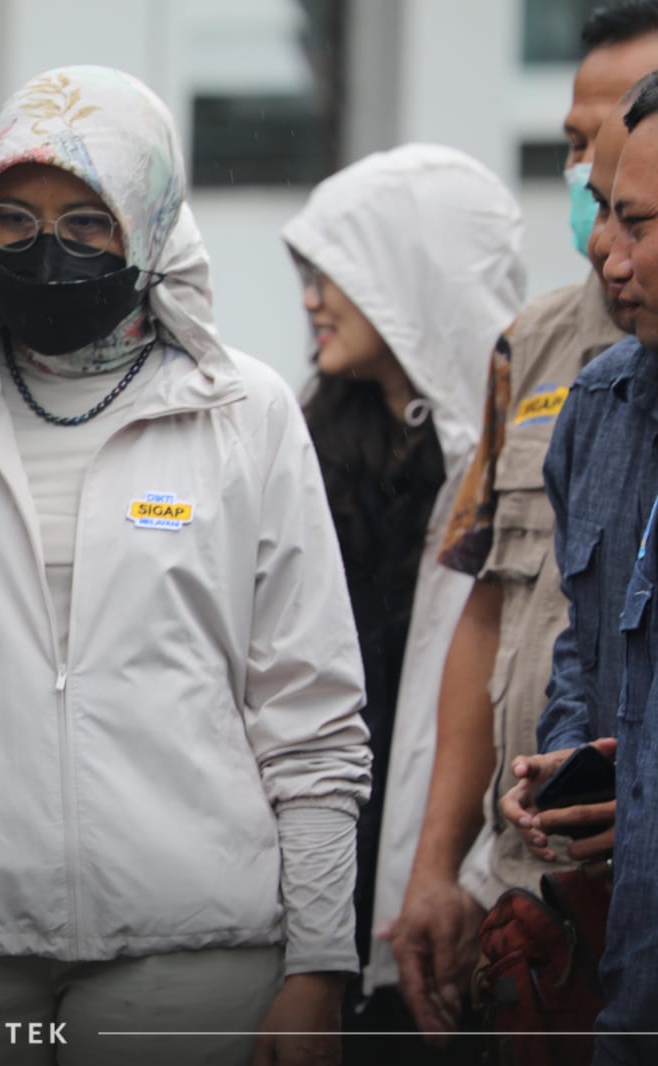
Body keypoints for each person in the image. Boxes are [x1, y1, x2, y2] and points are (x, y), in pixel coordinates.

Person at [0, 66, 371, 1066]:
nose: (45, 251)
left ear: (148, 225)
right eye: (11, 219)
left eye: (87, 223)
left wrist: (319, 961)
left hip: (192, 953)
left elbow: (309, 714)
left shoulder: (245, 414)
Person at [392, 7, 658, 1040]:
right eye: (578, 144)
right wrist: (444, 862)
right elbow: (510, 613)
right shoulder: (563, 372)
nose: (590, 169)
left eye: (618, 129)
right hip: (561, 901)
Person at [282, 146, 526, 1055]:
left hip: (457, 878)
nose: (312, 300)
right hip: (329, 850)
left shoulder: (512, 458)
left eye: (334, 274)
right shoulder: (307, 443)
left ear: (408, 274)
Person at [505, 74, 658, 1063]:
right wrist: (578, 766)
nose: (605, 250)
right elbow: (586, 637)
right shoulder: (598, 410)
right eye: (602, 213)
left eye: (634, 221)